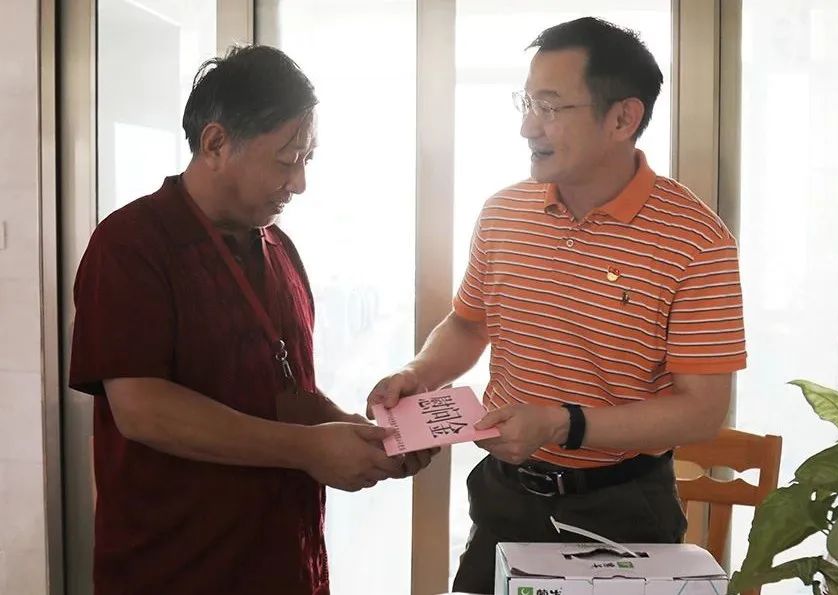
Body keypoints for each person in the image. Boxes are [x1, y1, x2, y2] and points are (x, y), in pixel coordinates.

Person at [368, 17, 746, 594]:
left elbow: (701, 411)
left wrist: (564, 424)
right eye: (526, 102)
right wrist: (418, 374)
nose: (527, 126)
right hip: (504, 498)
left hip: (624, 510)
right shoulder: (503, 213)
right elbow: (467, 325)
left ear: (623, 118)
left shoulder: (697, 241)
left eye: (549, 107)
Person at [69, 45, 432, 595]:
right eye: (287, 160)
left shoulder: (278, 247)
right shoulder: (130, 245)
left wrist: (368, 437)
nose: (300, 182)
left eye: (308, 159)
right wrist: (309, 449)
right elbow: (142, 409)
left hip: (284, 561)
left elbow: (287, 391)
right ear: (216, 143)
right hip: (176, 569)